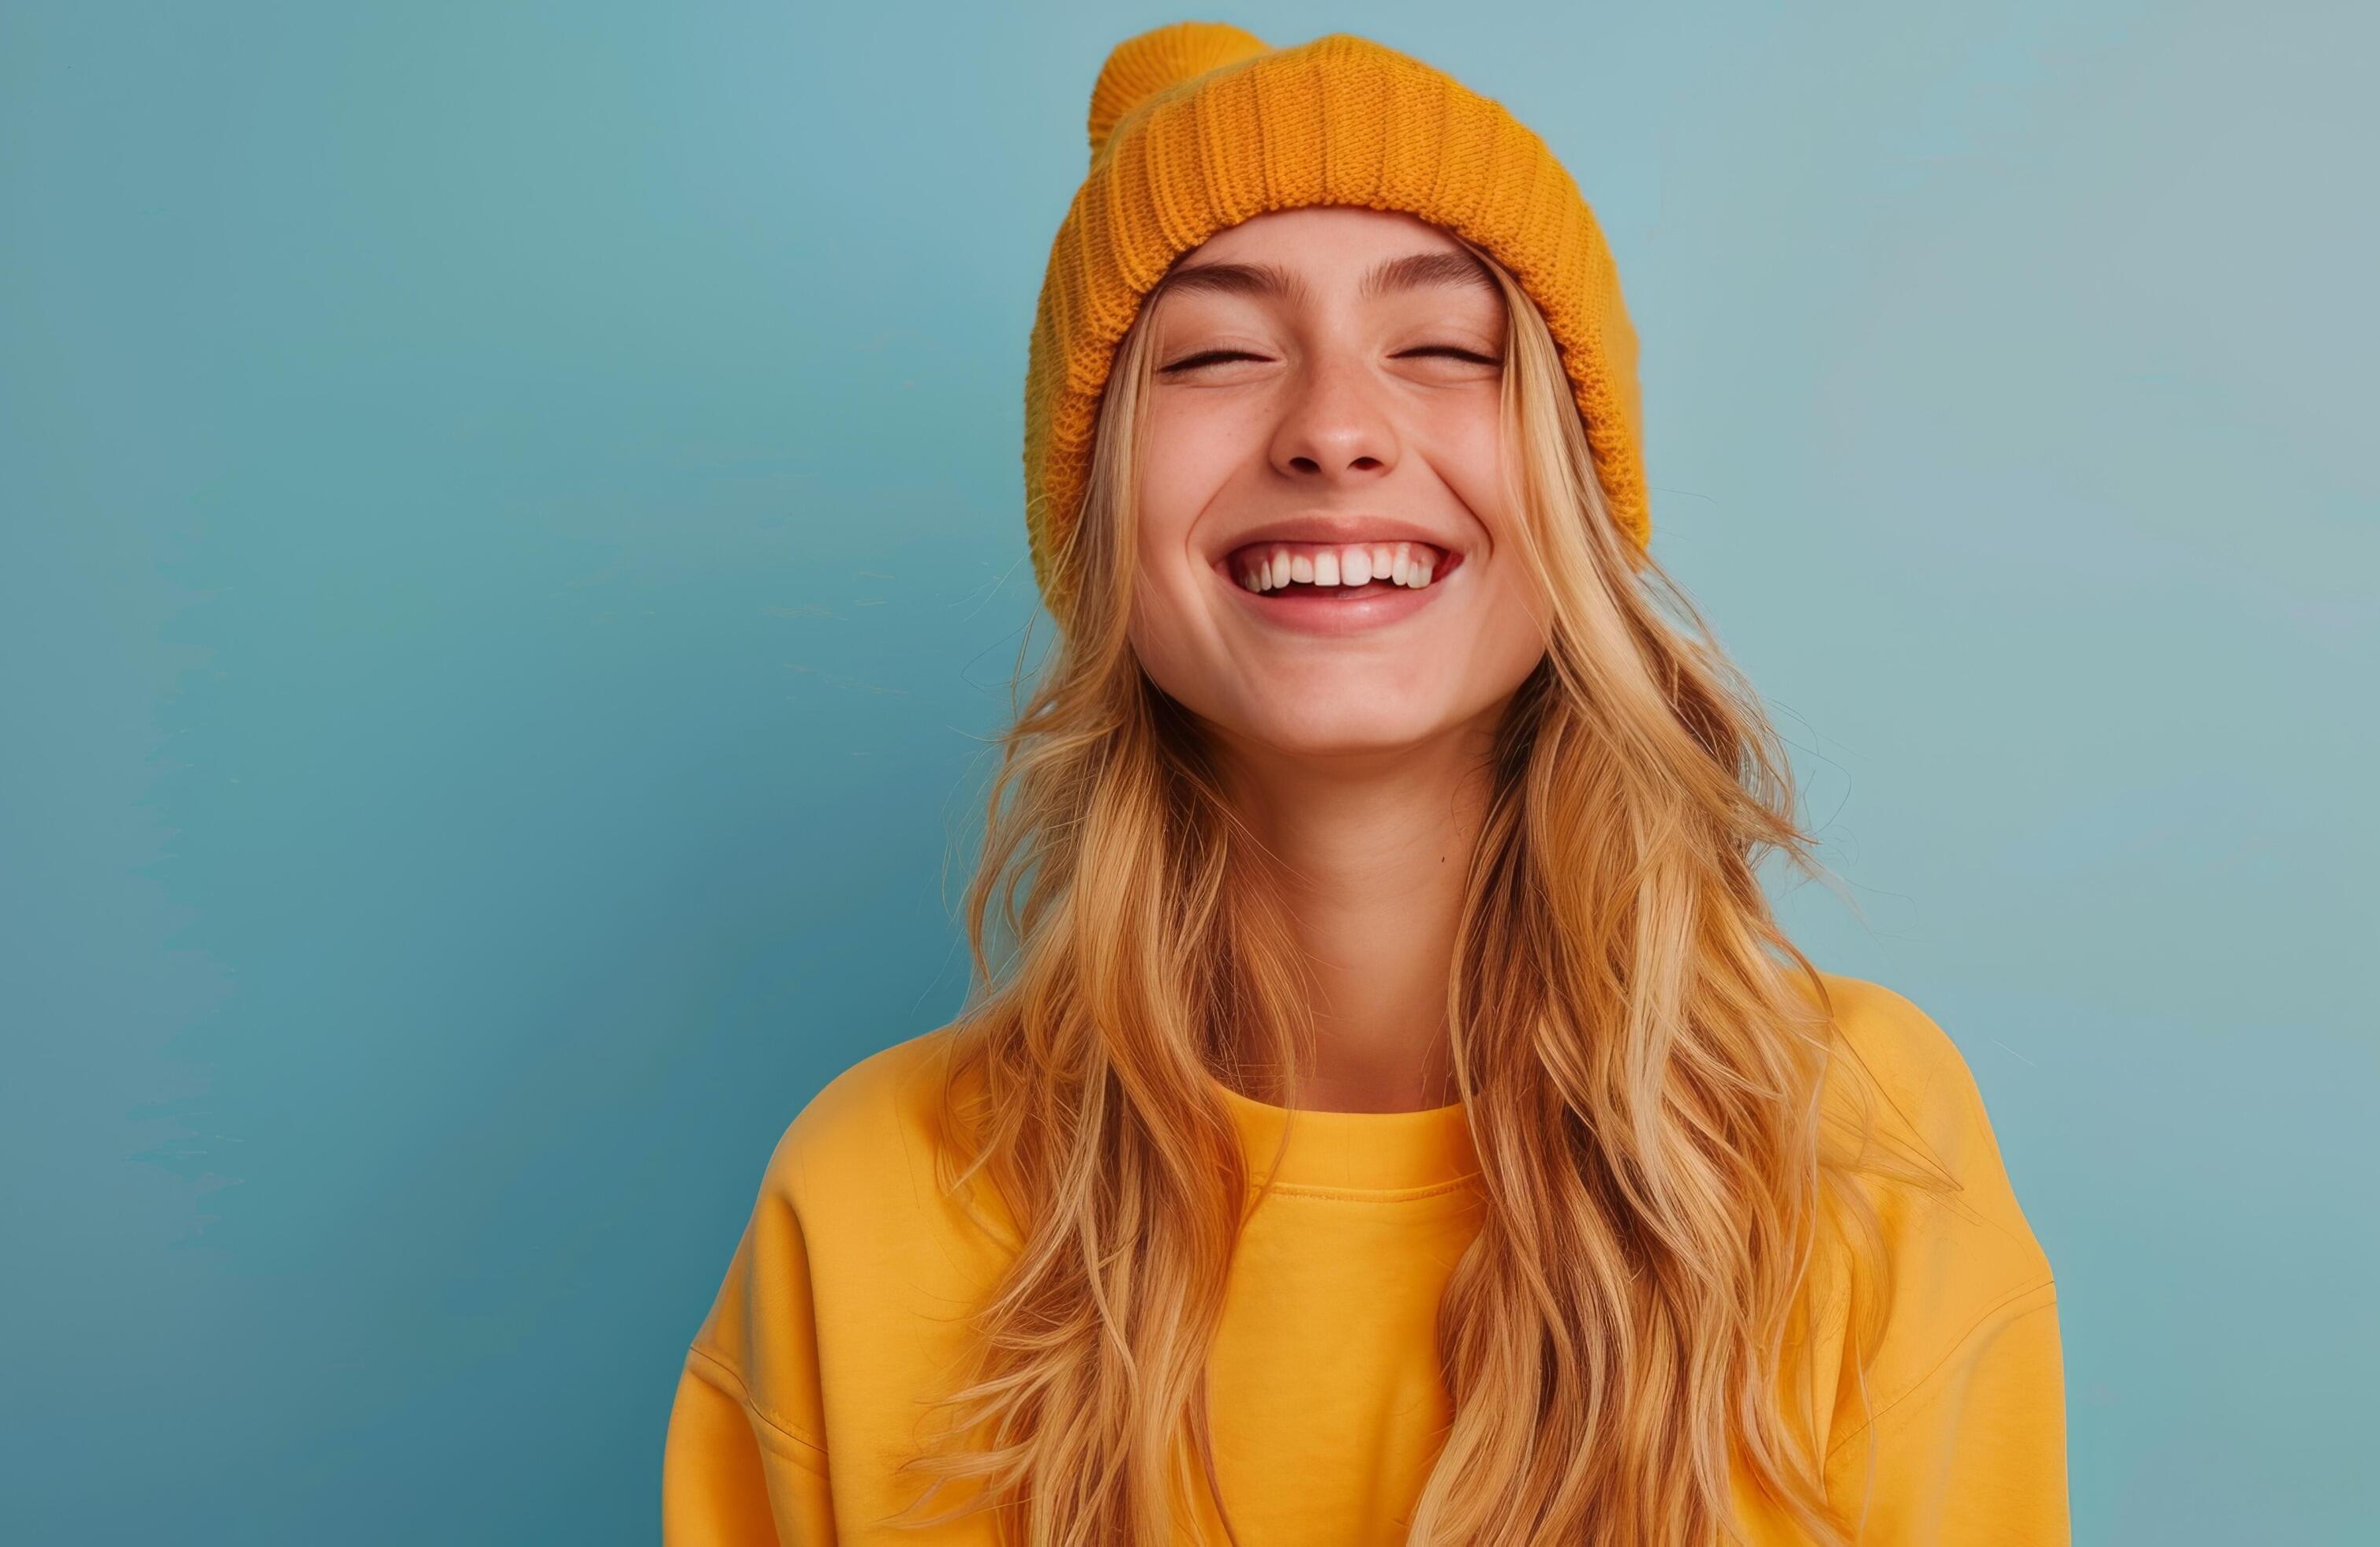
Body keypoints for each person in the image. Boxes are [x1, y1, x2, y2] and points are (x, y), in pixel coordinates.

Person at [661, 22, 2067, 1545]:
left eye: (1446, 348)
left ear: (1578, 500)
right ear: (1098, 510)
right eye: (1214, 354)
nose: (1335, 430)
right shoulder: (864, 1202)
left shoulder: (1857, 1150)